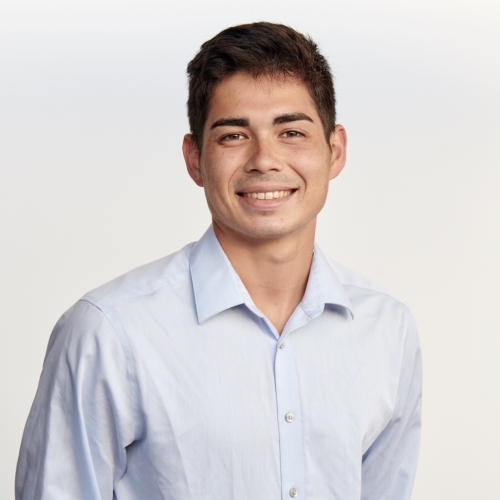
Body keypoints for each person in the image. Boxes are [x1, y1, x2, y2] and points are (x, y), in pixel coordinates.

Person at [16, 22, 422, 500]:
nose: (264, 160)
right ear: (194, 159)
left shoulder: (387, 329)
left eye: (291, 131)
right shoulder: (109, 333)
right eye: (233, 136)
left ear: (334, 151)